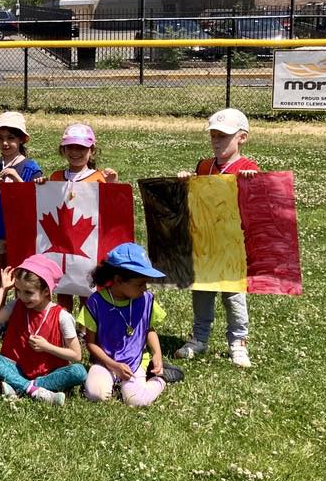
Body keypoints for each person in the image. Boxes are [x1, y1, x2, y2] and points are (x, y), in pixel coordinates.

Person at [174, 107, 258, 368]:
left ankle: (238, 342)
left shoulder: (248, 168)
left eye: (224, 136)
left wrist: (251, 182)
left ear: (242, 137)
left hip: (232, 245)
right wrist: (187, 181)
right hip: (204, 243)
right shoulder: (204, 166)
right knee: (201, 292)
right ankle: (199, 338)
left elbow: (257, 205)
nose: (217, 140)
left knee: (233, 296)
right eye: (214, 135)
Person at [0, 254, 87, 406]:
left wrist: (47, 347)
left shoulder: (62, 316)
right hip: (17, 367)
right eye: (18, 291)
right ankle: (35, 391)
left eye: (28, 292)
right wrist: (3, 289)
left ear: (45, 291)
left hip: (49, 372)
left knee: (79, 372)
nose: (22, 297)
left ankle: (19, 386)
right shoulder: (17, 305)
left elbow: (76, 355)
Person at [36, 123, 118, 313]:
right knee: (62, 284)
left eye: (81, 148)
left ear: (92, 150)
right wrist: (42, 185)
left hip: (87, 242)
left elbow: (110, 210)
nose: (75, 152)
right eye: (70, 147)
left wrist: (112, 186)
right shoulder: (56, 177)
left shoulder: (98, 178)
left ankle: (84, 328)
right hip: (60, 241)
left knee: (86, 284)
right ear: (63, 149)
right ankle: (65, 323)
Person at [0, 112, 42, 341]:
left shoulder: (31, 167)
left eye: (11, 138)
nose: (5, 143)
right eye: (1, 138)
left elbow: (34, 201)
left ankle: (20, 319)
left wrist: (17, 180)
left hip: (21, 232)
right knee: (0, 273)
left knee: (21, 277)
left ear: (22, 140)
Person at [79, 243, 168, 407]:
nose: (145, 288)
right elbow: (90, 343)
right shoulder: (96, 302)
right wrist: (113, 365)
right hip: (105, 363)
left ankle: (161, 379)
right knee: (95, 394)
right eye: (140, 284)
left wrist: (157, 354)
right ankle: (115, 381)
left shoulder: (146, 299)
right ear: (118, 280)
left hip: (135, 362)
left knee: (135, 400)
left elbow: (149, 330)